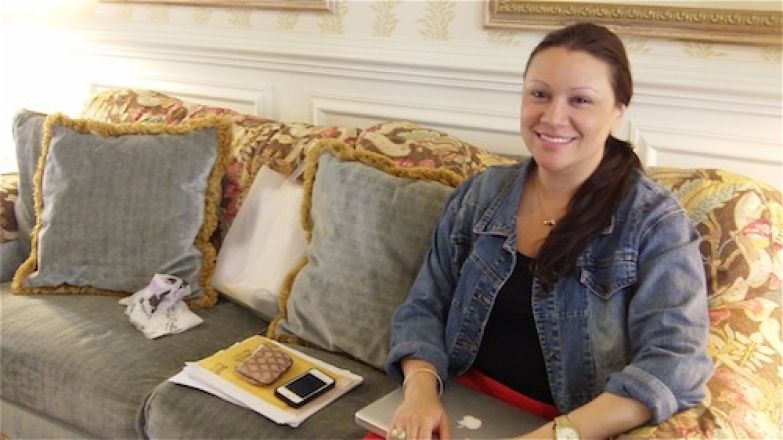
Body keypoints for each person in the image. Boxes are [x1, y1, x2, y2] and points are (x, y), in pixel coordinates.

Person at [384, 22, 712, 440]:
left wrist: (559, 435)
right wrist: (419, 393)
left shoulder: (655, 223)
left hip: (574, 425)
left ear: (618, 111)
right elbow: (423, 306)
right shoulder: (481, 194)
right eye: (539, 94)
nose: (553, 117)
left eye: (581, 100)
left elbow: (674, 365)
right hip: (454, 406)